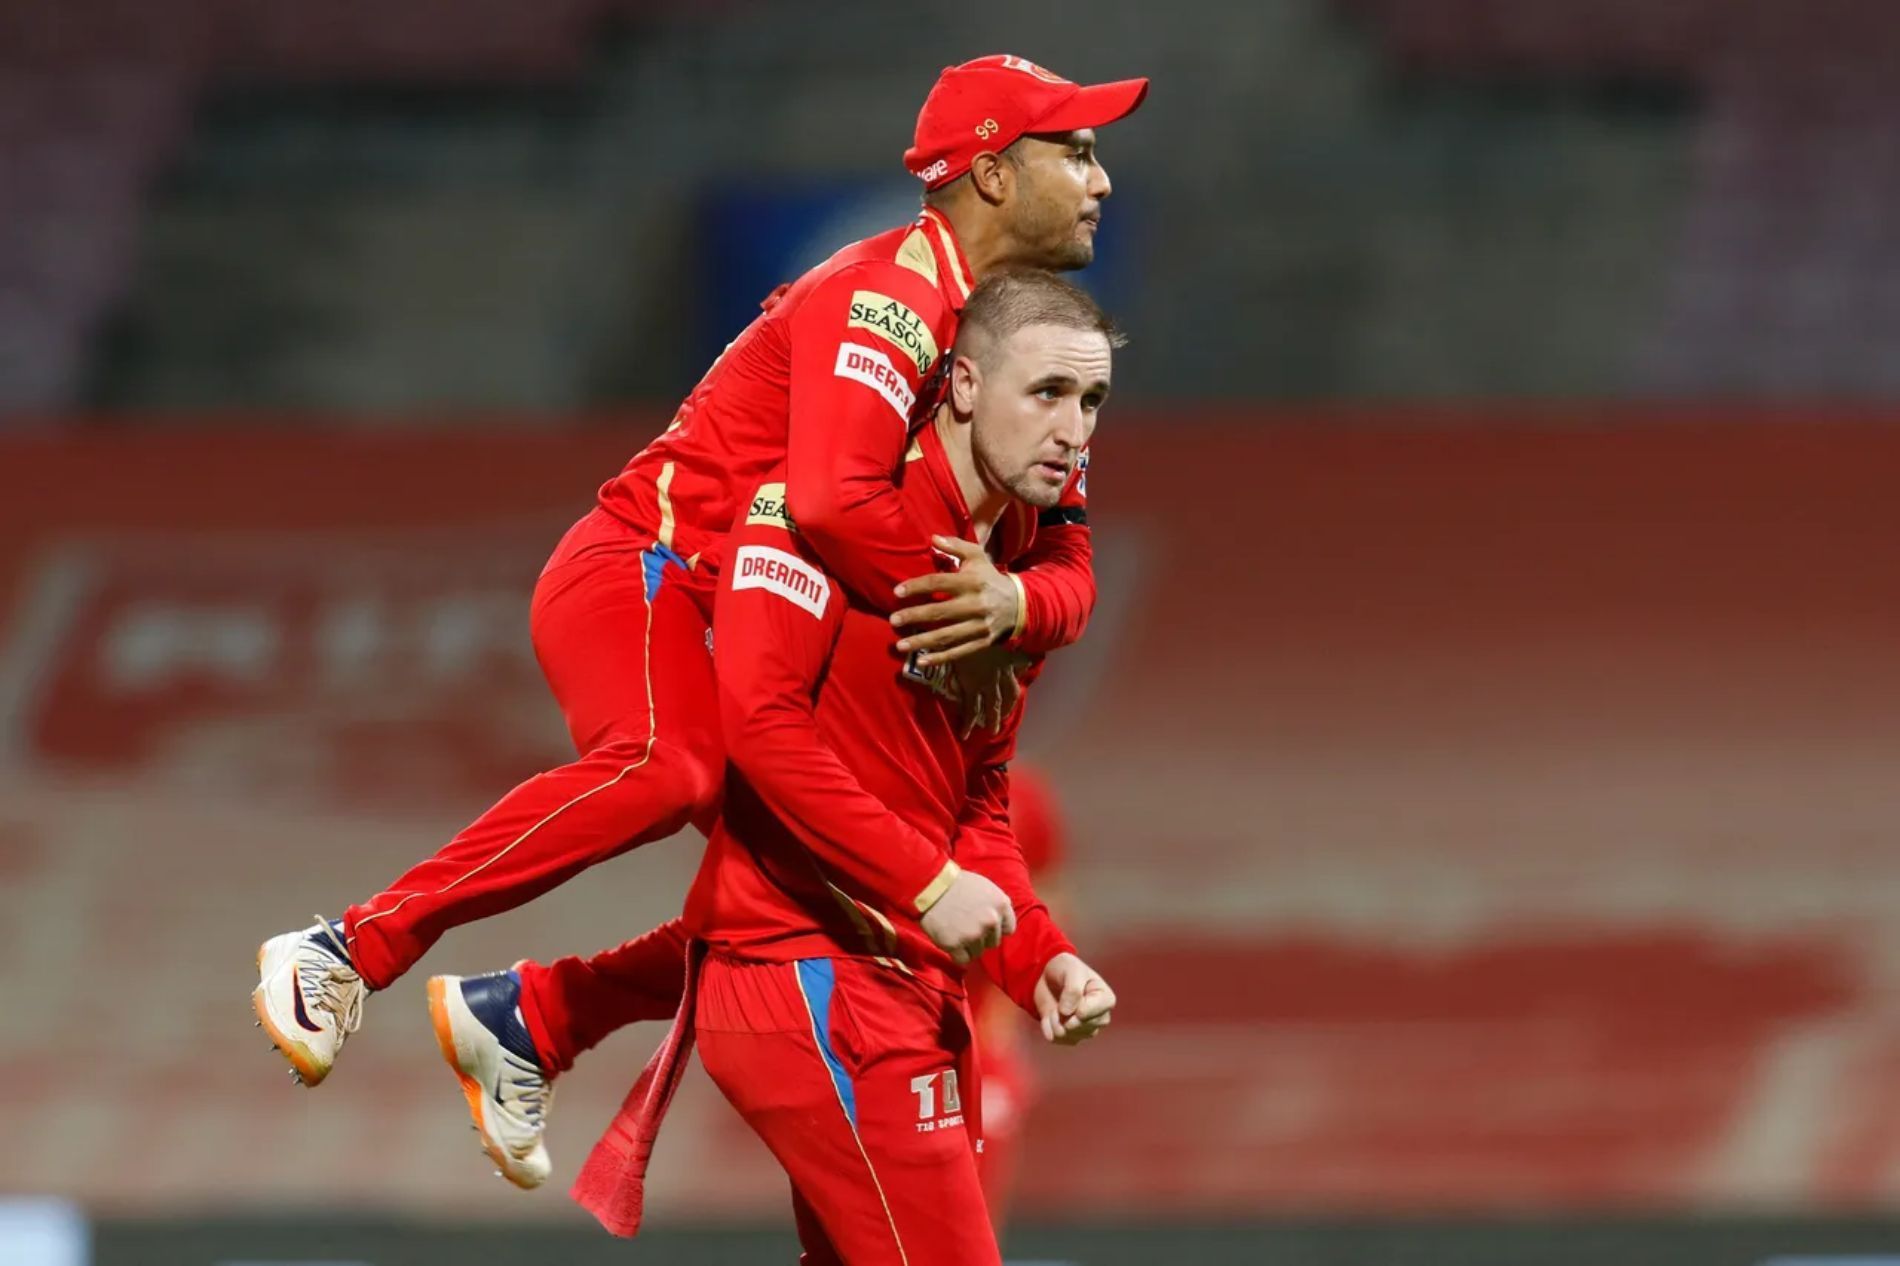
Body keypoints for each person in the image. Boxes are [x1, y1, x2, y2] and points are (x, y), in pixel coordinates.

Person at [251, 55, 1148, 1093]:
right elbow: (830, 502)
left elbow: (1067, 559)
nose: (1101, 180)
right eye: (1074, 152)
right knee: (667, 765)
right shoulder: (890, 300)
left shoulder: (1028, 359)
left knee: (829, 903)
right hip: (647, 571)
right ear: (991, 174)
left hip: (750, 610)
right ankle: (349, 948)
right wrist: (969, 618)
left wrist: (1013, 606)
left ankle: (536, 1018)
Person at [570, 269, 1121, 1262]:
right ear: (958, 386)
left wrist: (1041, 959)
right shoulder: (805, 513)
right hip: (809, 979)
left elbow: (979, 814)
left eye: (1092, 401)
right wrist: (925, 882)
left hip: (904, 991)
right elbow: (761, 731)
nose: (1073, 428)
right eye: (1046, 392)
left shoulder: (1004, 588)